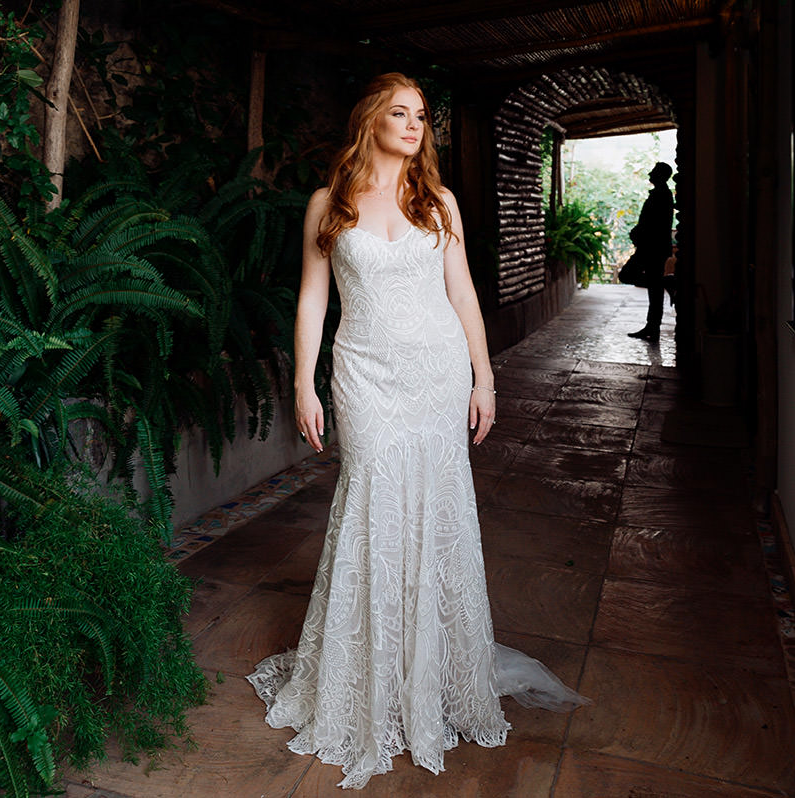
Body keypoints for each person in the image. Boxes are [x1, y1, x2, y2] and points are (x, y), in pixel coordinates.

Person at [246, 73, 588, 790]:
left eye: (422, 116)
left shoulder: (439, 201)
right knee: (372, 505)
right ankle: (364, 679)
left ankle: (427, 675)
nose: (414, 126)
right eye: (399, 114)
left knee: (435, 511)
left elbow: (461, 291)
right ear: (370, 120)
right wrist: (302, 381)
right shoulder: (328, 204)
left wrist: (483, 377)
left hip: (437, 377)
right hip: (365, 376)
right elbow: (312, 299)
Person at [626, 162, 674, 342]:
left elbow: (654, 225)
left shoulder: (661, 196)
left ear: (660, 175)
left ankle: (652, 326)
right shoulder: (662, 194)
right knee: (654, 289)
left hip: (652, 248)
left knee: (628, 275)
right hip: (653, 247)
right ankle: (652, 327)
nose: (649, 173)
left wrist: (639, 233)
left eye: (653, 171)